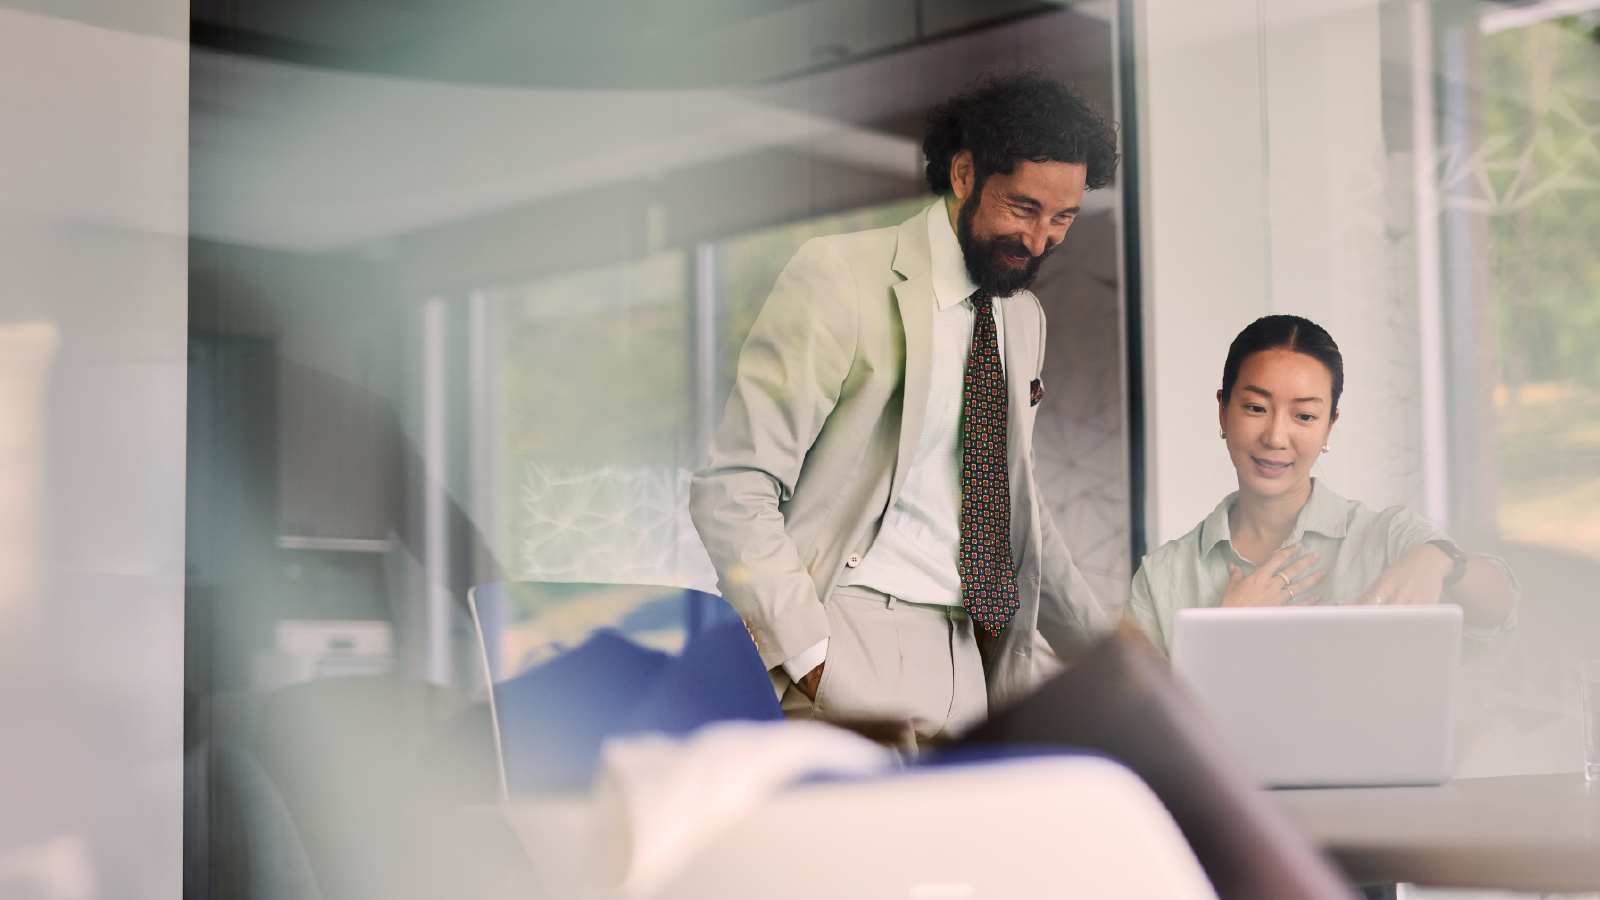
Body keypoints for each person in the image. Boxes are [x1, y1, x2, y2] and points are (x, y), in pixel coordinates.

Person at [690, 71, 1120, 744]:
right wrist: (809, 656)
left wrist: (1112, 654)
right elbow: (732, 488)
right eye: (1023, 209)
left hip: (971, 656)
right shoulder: (840, 278)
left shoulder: (1023, 319)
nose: (1040, 241)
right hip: (848, 629)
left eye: (1061, 218)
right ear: (964, 173)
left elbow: (1016, 512)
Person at [1125, 314, 1518, 656]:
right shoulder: (1162, 577)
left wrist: (1442, 559)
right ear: (1223, 410)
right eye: (1256, 408)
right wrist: (1225, 631)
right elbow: (1139, 727)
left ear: (1330, 424)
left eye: (1305, 416)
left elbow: (1501, 607)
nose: (1277, 437)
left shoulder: (1386, 537)